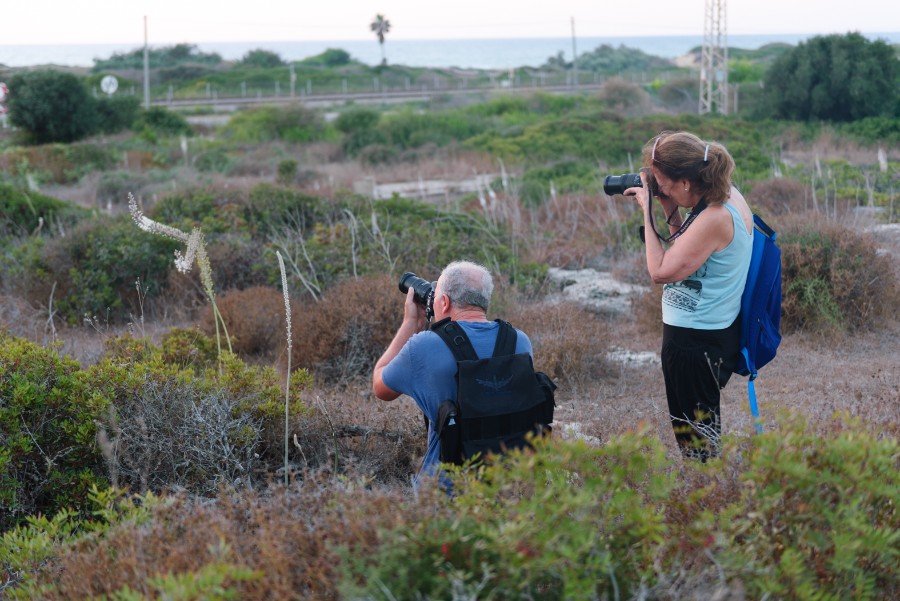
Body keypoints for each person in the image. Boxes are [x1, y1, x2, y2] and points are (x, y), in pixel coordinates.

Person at [624, 131, 753, 460]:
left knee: (697, 443)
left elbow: (661, 271)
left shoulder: (715, 216)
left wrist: (647, 210)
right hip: (707, 333)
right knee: (701, 430)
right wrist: (670, 210)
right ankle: (709, 495)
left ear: (684, 182)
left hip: (695, 342)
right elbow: (688, 250)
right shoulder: (721, 197)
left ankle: (707, 501)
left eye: (663, 183)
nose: (660, 188)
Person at [373, 260, 535, 485]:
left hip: (445, 494)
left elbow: (380, 387)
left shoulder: (425, 345)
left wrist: (411, 322)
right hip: (507, 488)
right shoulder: (520, 341)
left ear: (445, 302)